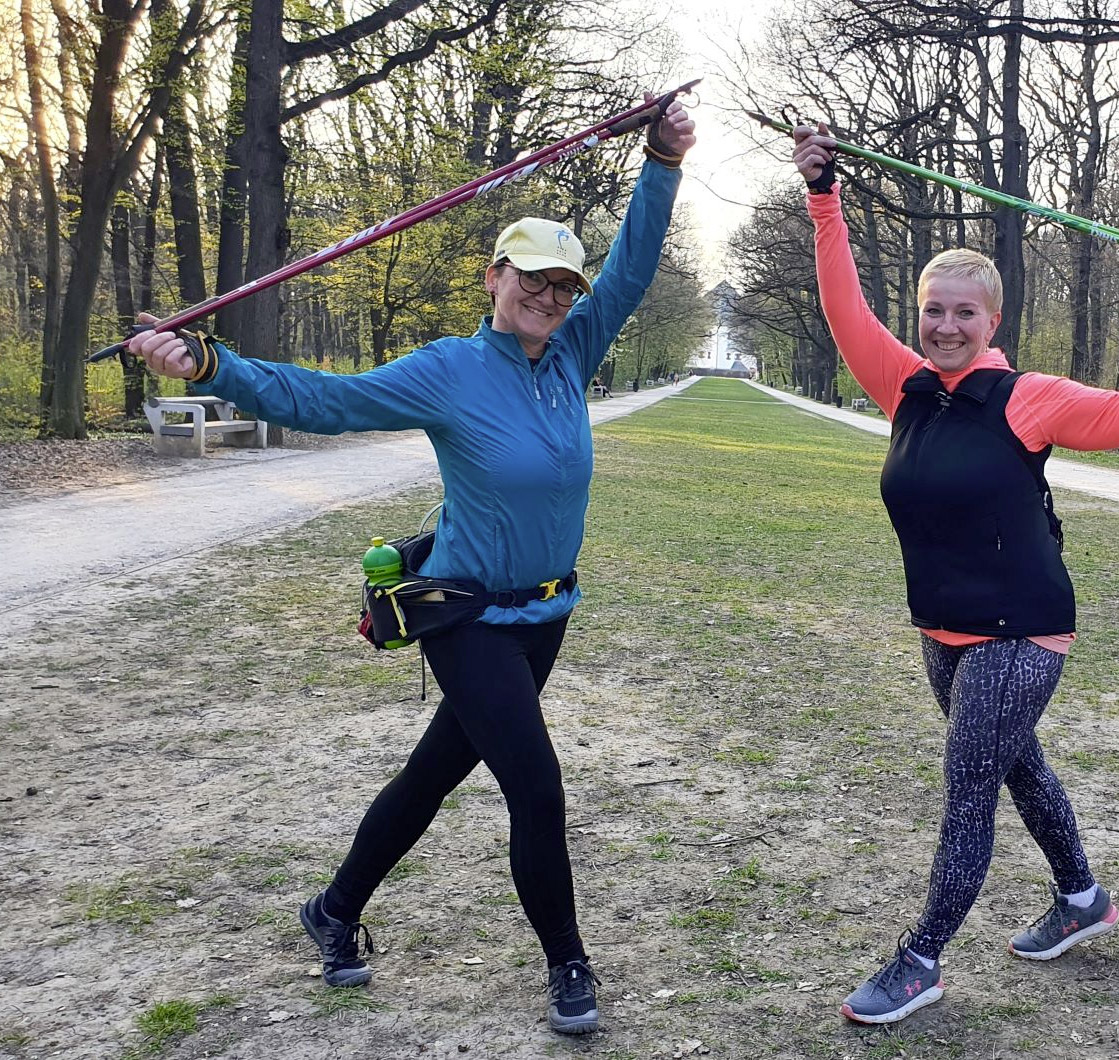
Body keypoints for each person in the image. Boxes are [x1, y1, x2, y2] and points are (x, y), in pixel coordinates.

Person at [127, 98, 696, 1036]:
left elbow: (630, 269)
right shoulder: (447, 369)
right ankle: (568, 965)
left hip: (545, 616)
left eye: (562, 286)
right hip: (466, 617)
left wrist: (661, 165)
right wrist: (210, 364)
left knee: (433, 773)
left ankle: (334, 910)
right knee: (536, 788)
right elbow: (325, 400)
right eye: (532, 280)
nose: (548, 297)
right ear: (494, 277)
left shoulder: (571, 354)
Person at [791, 123, 1119, 1025]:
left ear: (991, 321)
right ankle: (1082, 898)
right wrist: (822, 196)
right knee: (1016, 766)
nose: (946, 325)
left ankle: (918, 959)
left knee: (969, 788)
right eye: (934, 309)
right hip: (945, 630)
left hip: (1021, 628)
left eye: (965, 312)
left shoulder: (1026, 397)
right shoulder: (905, 388)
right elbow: (845, 306)